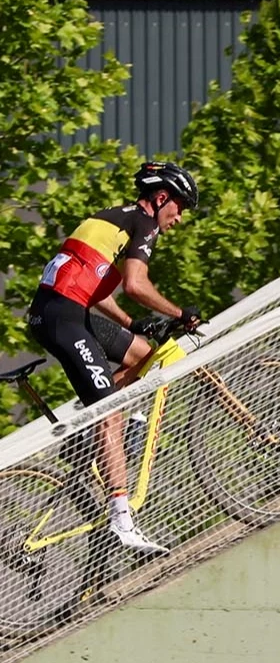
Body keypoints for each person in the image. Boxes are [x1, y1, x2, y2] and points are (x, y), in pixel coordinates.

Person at [25, 161, 202, 554]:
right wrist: (180, 313)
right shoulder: (144, 223)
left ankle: (96, 430)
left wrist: (130, 322)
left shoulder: (113, 217)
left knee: (143, 353)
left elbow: (94, 285)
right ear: (161, 198)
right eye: (179, 208)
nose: (178, 219)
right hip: (63, 318)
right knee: (111, 414)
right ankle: (121, 520)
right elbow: (136, 285)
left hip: (62, 311)